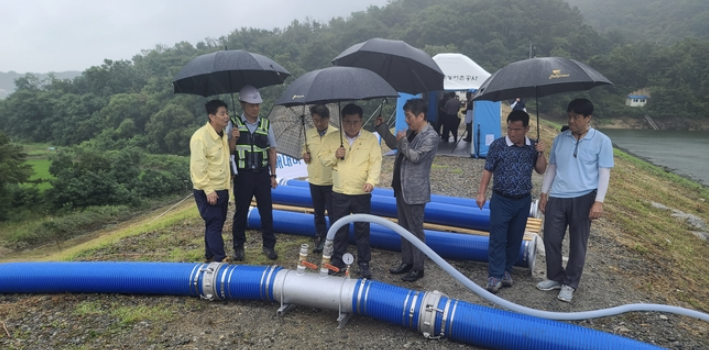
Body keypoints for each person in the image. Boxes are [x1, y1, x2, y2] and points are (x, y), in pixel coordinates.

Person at [537, 98, 614, 302]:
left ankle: (570, 283)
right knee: (551, 238)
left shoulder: (602, 141)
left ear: (588, 118)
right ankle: (555, 276)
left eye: (576, 117)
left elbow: (604, 172)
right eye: (569, 116)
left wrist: (599, 201)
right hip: (559, 196)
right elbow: (552, 167)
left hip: (584, 196)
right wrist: (544, 193)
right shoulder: (560, 139)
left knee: (578, 243)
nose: (571, 120)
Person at [476, 110, 547, 293]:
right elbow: (487, 170)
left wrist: (541, 153)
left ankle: (506, 270)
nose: (512, 133)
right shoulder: (498, 145)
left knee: (515, 239)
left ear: (526, 129)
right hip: (501, 199)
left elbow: (541, 170)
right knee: (498, 238)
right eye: (509, 128)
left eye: (517, 129)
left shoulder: (532, 146)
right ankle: (495, 275)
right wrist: (481, 193)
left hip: (523, 200)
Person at [375, 98, 438, 282]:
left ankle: (418, 267)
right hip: (401, 187)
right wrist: (383, 128)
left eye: (409, 116)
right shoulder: (411, 132)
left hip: (415, 191)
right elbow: (396, 145)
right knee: (404, 228)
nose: (407, 120)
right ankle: (407, 261)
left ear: (421, 116)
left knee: (415, 230)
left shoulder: (430, 136)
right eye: (406, 116)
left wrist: (402, 141)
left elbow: (415, 157)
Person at [318, 103, 382, 279]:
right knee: (340, 229)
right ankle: (337, 260)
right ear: (342, 122)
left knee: (362, 229)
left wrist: (371, 181)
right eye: (347, 122)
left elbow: (375, 162)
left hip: (361, 193)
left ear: (361, 121)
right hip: (340, 191)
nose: (351, 126)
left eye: (355, 122)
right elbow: (323, 159)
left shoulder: (370, 139)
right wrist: (335, 155)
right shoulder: (333, 138)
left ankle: (364, 263)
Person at [231, 85, 279, 261]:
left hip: (261, 174)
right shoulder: (234, 124)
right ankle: (238, 247)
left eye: (257, 104)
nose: (255, 108)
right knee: (241, 212)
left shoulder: (266, 124)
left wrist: (273, 175)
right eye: (251, 105)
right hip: (242, 175)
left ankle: (269, 246)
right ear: (242, 104)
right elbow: (229, 152)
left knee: (266, 211)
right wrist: (233, 138)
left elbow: (272, 150)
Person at [190, 99, 237, 264]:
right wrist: (208, 190)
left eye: (227, 113)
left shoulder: (223, 135)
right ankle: (220, 258)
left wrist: (234, 139)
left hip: (222, 187)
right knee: (215, 223)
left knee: (214, 223)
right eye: (222, 113)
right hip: (208, 191)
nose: (226, 117)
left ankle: (209, 255)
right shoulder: (200, 138)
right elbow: (197, 169)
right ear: (211, 116)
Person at [302, 105, 338, 253]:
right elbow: (305, 153)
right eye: (315, 120)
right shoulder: (308, 134)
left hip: (330, 181)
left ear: (328, 119)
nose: (318, 123)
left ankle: (334, 240)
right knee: (318, 213)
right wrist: (306, 157)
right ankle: (320, 237)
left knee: (333, 213)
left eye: (321, 120)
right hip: (314, 180)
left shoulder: (336, 134)